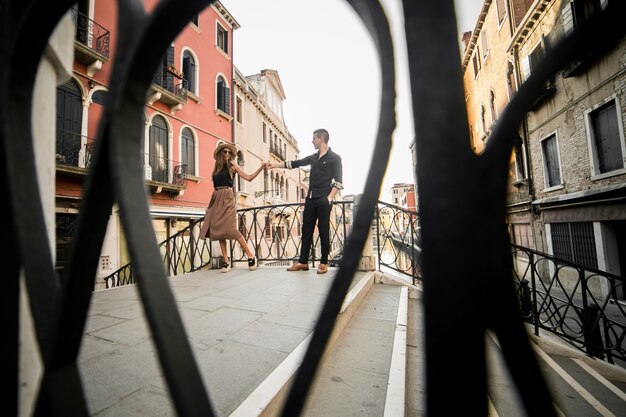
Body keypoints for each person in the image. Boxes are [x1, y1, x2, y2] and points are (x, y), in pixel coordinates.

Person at [267, 128, 343, 274]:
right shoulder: (314, 157)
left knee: (323, 230)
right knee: (306, 230)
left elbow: (339, 182)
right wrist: (274, 165)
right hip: (310, 199)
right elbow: (295, 163)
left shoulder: (335, 158)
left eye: (314, 138)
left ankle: (324, 263)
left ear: (321, 139)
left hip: (324, 199)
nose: (312, 141)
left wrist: (329, 198)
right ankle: (303, 262)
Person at [200, 142, 265, 272]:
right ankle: (225, 261)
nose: (227, 154)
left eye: (229, 152)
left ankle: (250, 255)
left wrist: (260, 168)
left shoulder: (232, 166)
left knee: (231, 228)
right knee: (218, 229)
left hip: (228, 197)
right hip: (216, 197)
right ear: (220, 153)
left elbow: (249, 177)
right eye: (225, 152)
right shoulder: (216, 168)